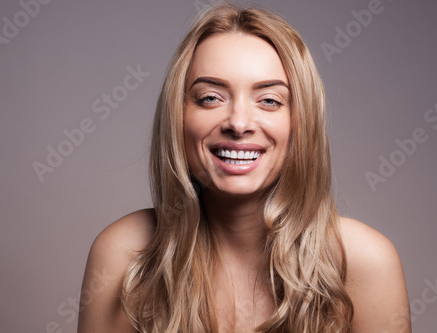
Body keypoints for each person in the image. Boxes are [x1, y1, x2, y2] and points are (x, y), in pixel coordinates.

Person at [78, 2, 411, 332]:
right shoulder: (124, 254)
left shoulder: (365, 263)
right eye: (210, 98)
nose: (238, 123)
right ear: (178, 117)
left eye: (269, 101)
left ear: (301, 122)